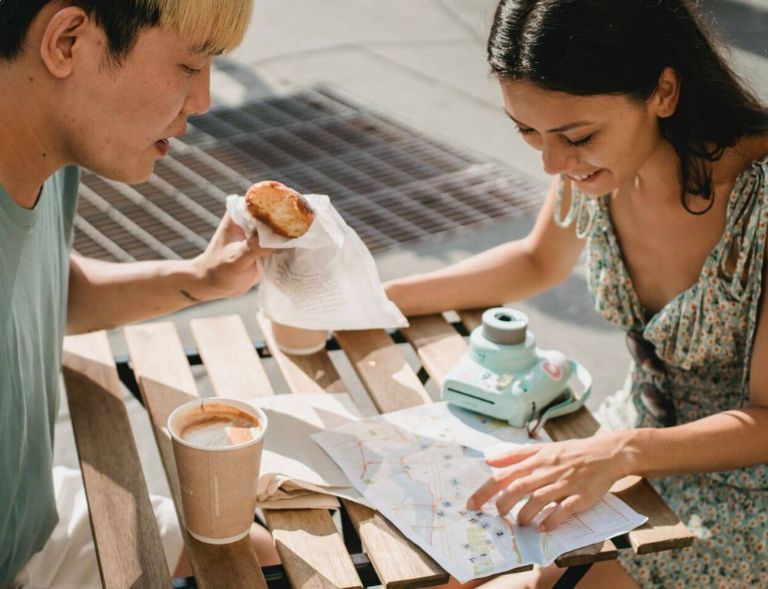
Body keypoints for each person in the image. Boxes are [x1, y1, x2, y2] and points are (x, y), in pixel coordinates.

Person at [385, 0, 768, 586]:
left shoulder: (760, 203)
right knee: (454, 555)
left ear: (664, 91)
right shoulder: (595, 166)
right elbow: (536, 260)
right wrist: (372, 299)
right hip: (627, 444)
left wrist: (620, 452)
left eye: (576, 135)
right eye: (529, 132)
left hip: (742, 492)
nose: (551, 163)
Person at [0, 1, 280, 587]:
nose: (202, 100)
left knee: (273, 556)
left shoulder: (48, 150)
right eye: (188, 65)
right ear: (69, 42)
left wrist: (202, 277)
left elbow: (50, 289)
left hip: (32, 528)